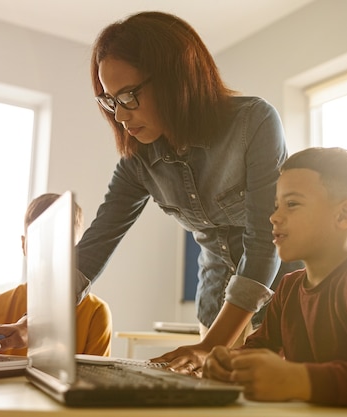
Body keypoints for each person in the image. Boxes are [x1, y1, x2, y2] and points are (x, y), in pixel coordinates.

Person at [73, 11, 300, 374]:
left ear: (176, 78)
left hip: (284, 305)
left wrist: (211, 345)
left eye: (129, 95)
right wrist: (37, 319)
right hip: (216, 307)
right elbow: (96, 242)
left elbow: (264, 239)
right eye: (111, 100)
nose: (119, 115)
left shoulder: (254, 122)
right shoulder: (139, 160)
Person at [202, 147, 347, 408]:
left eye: (292, 204)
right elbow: (258, 349)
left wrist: (297, 380)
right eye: (277, 206)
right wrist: (227, 365)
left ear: (344, 215)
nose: (274, 217)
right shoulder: (289, 287)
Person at [0, 193, 112, 357]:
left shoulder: (96, 312)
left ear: (78, 251)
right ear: (24, 245)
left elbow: (95, 380)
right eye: (40, 241)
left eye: (60, 242)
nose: (49, 252)